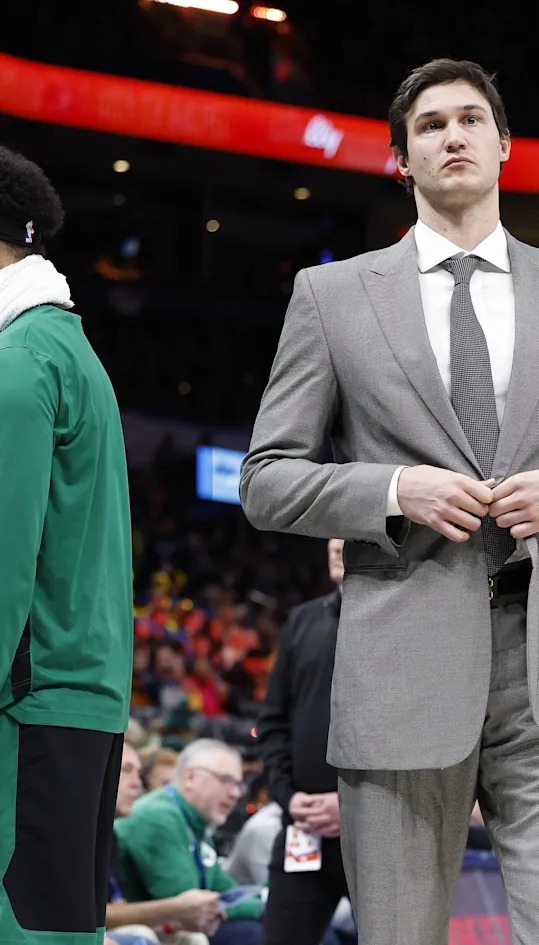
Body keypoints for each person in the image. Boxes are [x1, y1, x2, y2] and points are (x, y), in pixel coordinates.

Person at [241, 58, 539, 945]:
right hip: (398, 665)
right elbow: (267, 477)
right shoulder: (332, 295)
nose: (453, 136)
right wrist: (394, 488)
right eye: (429, 127)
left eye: (471, 120)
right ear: (401, 159)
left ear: (506, 146)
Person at [0, 146, 134, 945]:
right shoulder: (71, 352)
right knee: (63, 927)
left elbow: (3, 557)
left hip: (26, 696)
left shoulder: (18, 364)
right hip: (79, 691)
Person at [253, 537, 351, 945]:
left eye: (348, 528)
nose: (335, 543)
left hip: (380, 831)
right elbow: (272, 724)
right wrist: (287, 796)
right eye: (332, 530)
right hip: (304, 827)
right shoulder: (302, 621)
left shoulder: (408, 623)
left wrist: (351, 807)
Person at [114, 739, 264, 945]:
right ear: (191, 777)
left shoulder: (196, 821)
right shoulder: (158, 816)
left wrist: (265, 900)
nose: (235, 793)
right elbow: (191, 906)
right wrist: (268, 903)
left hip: (158, 929)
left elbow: (227, 891)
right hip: (143, 929)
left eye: (239, 784)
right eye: (225, 780)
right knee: (254, 934)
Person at [108, 741, 218, 945]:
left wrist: (170, 923)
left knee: (190, 938)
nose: (136, 783)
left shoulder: (108, 834)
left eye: (137, 773)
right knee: (141, 938)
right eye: (126, 770)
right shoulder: (156, 818)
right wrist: (178, 907)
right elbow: (93, 916)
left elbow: (115, 908)